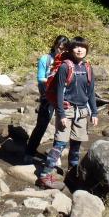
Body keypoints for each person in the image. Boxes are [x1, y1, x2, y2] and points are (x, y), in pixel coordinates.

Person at [37, 36, 98, 189]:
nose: (79, 50)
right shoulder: (65, 67)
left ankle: (72, 174)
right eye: (76, 47)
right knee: (60, 143)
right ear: (71, 50)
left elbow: (91, 92)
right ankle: (44, 175)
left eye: (82, 47)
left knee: (76, 144)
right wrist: (62, 114)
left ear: (86, 50)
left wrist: (94, 112)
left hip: (82, 111)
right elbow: (59, 93)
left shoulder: (88, 67)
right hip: (67, 109)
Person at [24, 35, 70, 163]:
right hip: (47, 97)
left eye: (65, 49)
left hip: (64, 97)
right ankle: (29, 152)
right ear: (55, 45)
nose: (61, 51)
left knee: (61, 127)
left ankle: (56, 156)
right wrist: (55, 82)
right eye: (59, 48)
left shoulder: (67, 61)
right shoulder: (46, 59)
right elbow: (40, 78)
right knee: (41, 125)